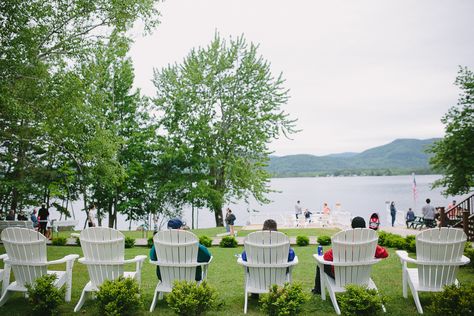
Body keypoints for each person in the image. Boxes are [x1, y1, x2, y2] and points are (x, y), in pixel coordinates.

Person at [312, 216, 388, 294]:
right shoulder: (370, 243)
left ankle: (317, 290)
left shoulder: (345, 242)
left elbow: (326, 257)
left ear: (352, 227)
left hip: (342, 277)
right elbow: (384, 254)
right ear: (365, 227)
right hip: (361, 276)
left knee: (320, 264)